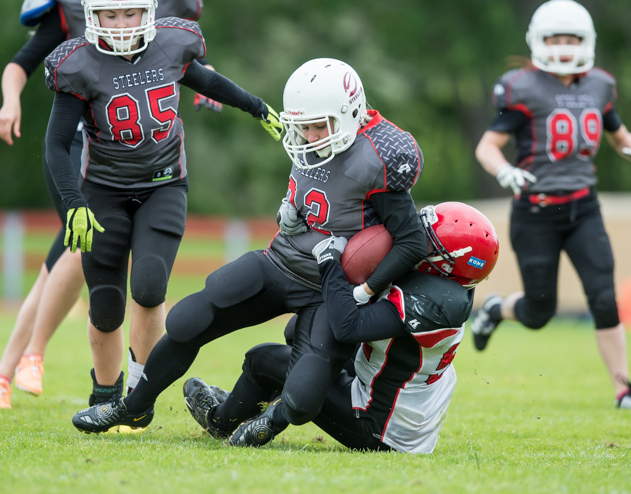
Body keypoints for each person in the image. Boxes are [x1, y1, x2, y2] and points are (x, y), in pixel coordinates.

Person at [70, 57, 428, 435]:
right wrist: (289, 212)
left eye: (319, 126)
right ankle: (133, 407)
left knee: (303, 395)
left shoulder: (377, 155)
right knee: (188, 319)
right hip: (280, 262)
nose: (310, 136)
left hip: (328, 289)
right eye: (302, 126)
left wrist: (365, 291)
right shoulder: (309, 140)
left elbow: (411, 241)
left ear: (351, 112)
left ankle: (245, 424)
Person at [0, 0, 219, 410]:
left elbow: (181, 60)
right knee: (77, 245)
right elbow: (20, 64)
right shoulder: (70, 5)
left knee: (78, 256)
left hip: (135, 149)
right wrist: (10, 100)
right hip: (84, 146)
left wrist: (209, 85)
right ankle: (28, 359)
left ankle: (16, 363)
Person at [42, 0, 281, 420]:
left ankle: (136, 397)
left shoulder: (172, 43)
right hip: (103, 191)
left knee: (150, 288)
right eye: (110, 15)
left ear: (147, 11)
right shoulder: (78, 65)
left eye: (129, 13)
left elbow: (203, 78)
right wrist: (73, 202)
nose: (120, 24)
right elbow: (55, 145)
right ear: (92, 17)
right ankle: (104, 392)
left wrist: (254, 106)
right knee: (106, 305)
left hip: (163, 185)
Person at [183, 202, 499, 452]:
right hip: (395, 401)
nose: (414, 240)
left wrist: (329, 263)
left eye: (426, 241)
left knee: (262, 359)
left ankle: (222, 420)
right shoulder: (446, 287)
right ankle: (253, 405)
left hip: (377, 425)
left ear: (444, 263)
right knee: (299, 337)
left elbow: (348, 326)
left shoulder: (432, 304)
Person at [469, 0, 631, 409]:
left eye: (571, 39)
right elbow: (487, 147)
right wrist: (504, 171)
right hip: (535, 213)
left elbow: (617, 133)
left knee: (604, 297)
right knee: (540, 312)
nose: (563, 47)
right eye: (555, 38)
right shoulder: (522, 87)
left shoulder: (600, 85)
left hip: (583, 209)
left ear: (586, 42)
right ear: (538, 42)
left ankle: (623, 390)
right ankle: (497, 310)